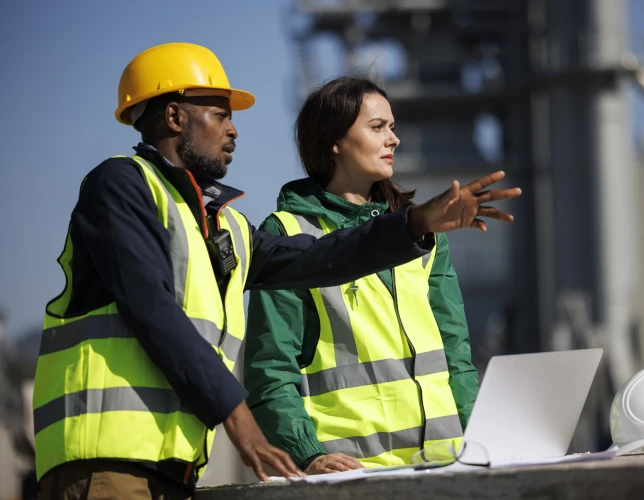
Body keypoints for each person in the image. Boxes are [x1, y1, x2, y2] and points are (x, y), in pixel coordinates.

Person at [32, 44, 521, 498]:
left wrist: (415, 222)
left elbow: (320, 258)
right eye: (220, 115)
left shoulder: (222, 224)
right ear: (176, 116)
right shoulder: (119, 186)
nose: (234, 129)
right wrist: (239, 418)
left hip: (173, 464)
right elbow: (152, 310)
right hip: (105, 460)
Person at [244, 76, 520, 474]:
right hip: (353, 474)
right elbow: (270, 369)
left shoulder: (423, 234)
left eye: (392, 127)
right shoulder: (288, 234)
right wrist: (307, 453)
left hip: (446, 467)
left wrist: (484, 437)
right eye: (377, 127)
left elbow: (454, 355)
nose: (394, 139)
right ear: (333, 140)